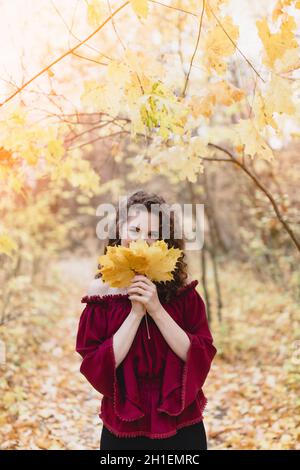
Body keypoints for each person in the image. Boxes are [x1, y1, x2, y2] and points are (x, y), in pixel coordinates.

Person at [75, 190, 217, 450]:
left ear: (166, 241)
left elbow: (199, 354)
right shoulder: (101, 292)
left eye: (153, 234)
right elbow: (96, 365)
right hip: (124, 428)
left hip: (182, 424)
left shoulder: (183, 292)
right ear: (120, 231)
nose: (143, 241)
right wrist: (135, 313)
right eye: (136, 229)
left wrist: (156, 309)